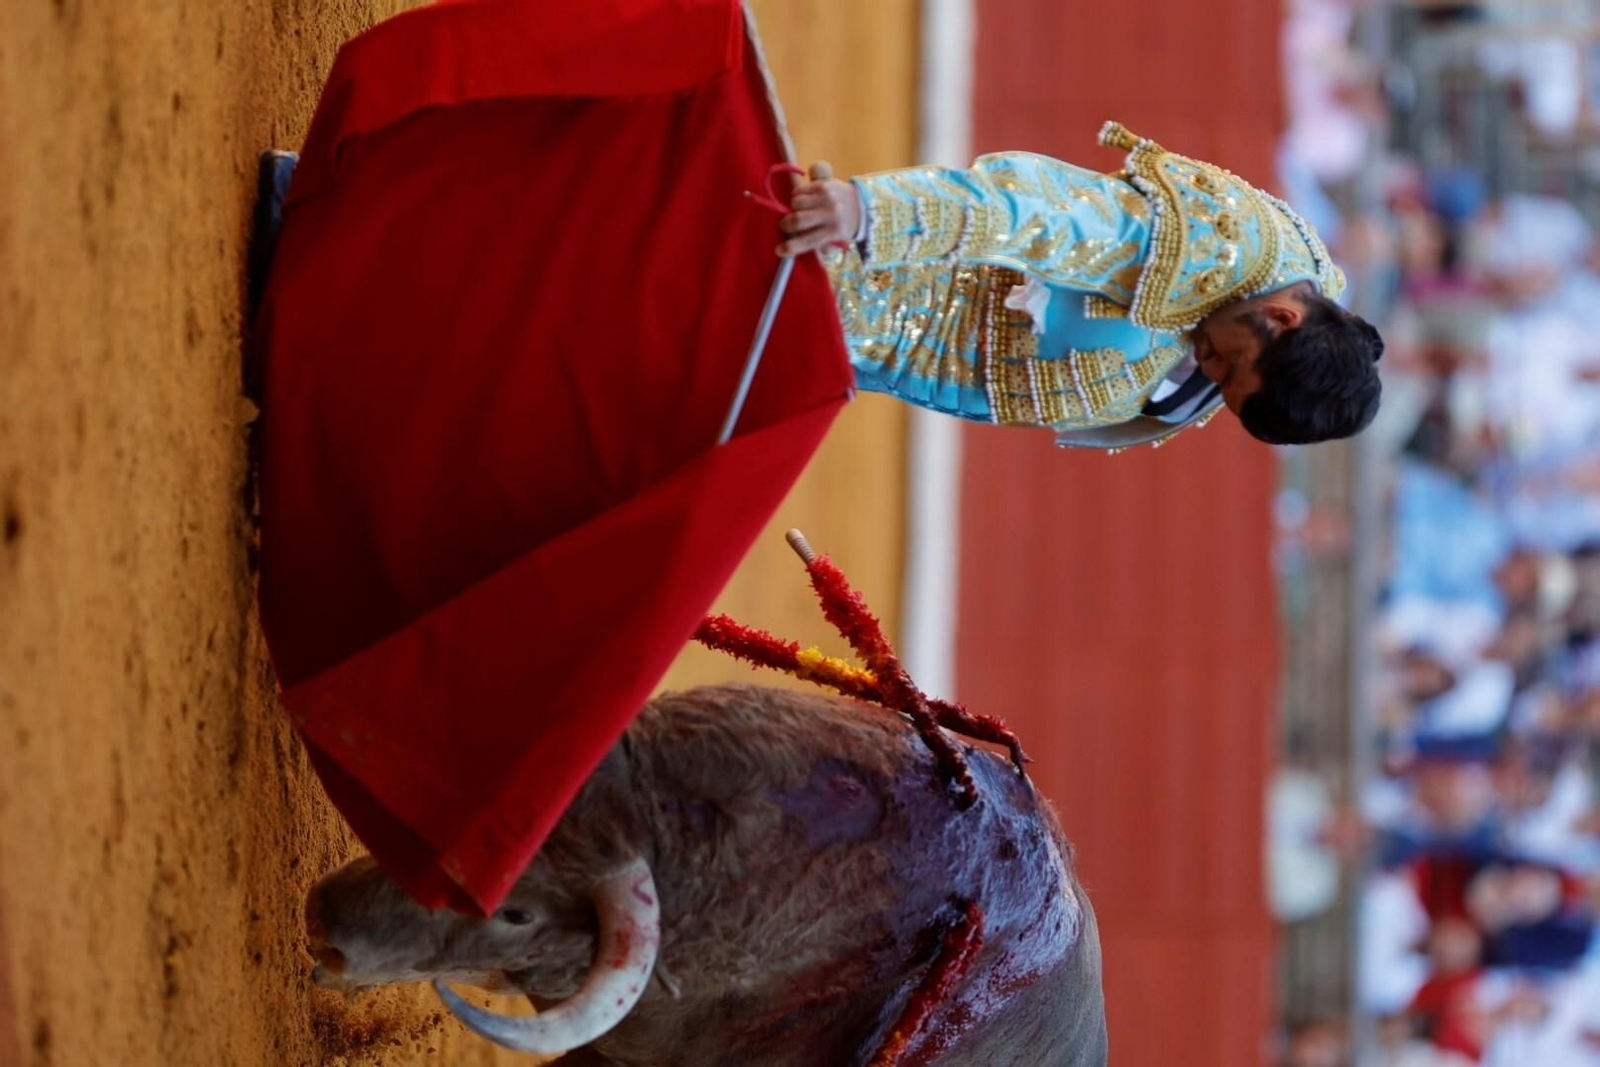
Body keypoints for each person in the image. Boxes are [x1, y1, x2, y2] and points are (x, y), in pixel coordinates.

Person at [779, 122, 1385, 450]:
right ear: (1281, 318)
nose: (1206, 366)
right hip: (875, 279)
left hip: (887, 348)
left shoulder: (1309, 295)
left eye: (1223, 385)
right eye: (1228, 366)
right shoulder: (1200, 245)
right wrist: (871, 213)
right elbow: (1031, 209)